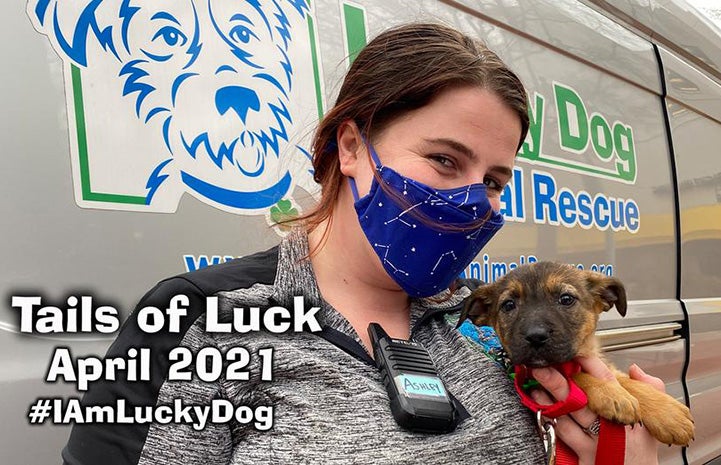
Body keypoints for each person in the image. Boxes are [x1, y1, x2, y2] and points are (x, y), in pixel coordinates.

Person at [62, 22, 663, 464]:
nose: (473, 200)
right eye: (443, 160)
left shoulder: (488, 318)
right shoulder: (200, 320)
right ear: (351, 147)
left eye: (493, 180)